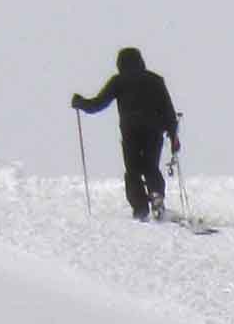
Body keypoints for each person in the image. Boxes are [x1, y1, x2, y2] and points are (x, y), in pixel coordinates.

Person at [74, 49, 181, 221]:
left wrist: (80, 103)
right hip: (154, 131)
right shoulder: (155, 80)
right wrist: (173, 135)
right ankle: (156, 195)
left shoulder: (119, 81)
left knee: (132, 170)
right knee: (150, 166)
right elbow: (168, 111)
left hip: (130, 131)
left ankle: (140, 209)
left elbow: (97, 104)